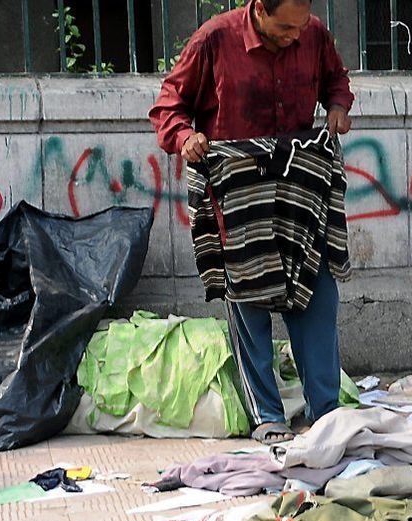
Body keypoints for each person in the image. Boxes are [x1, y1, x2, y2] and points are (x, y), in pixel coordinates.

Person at [149, 0, 354, 443]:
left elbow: (337, 79)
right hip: (241, 210)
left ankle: (326, 411)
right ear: (259, 9)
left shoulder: (312, 33)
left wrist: (337, 106)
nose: (295, 37)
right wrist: (187, 137)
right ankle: (267, 416)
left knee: (318, 302)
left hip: (301, 204)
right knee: (250, 309)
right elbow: (168, 108)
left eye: (301, 28)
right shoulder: (213, 40)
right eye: (284, 28)